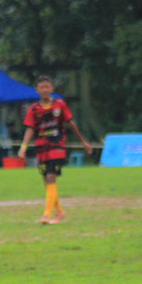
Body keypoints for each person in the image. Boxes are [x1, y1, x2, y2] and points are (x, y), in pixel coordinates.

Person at [18, 75, 93, 224]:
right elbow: (30, 129)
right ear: (37, 90)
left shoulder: (60, 105)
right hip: (41, 148)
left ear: (52, 88)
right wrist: (23, 147)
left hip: (57, 147)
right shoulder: (34, 109)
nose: (45, 90)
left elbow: (71, 123)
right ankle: (59, 212)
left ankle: (46, 215)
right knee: (46, 180)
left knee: (51, 177)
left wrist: (84, 141)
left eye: (47, 87)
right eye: (42, 87)